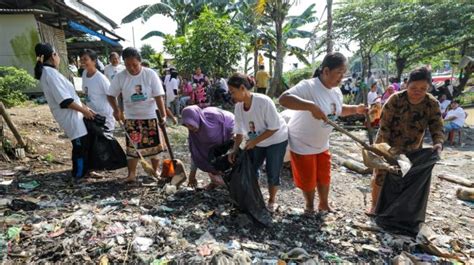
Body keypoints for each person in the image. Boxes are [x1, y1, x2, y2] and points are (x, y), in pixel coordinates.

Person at [279, 52, 366, 213]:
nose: (342, 77)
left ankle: (324, 204)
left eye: (344, 72)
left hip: (322, 143)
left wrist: (356, 109)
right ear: (326, 71)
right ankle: (310, 206)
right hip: (302, 142)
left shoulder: (336, 91)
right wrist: (311, 106)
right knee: (308, 179)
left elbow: (338, 110)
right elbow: (283, 99)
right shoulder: (309, 86)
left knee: (324, 176)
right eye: (339, 72)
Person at [367, 67, 444, 214]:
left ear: (429, 88)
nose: (417, 91)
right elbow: (384, 126)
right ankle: (375, 205)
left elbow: (437, 126)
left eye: (423, 88)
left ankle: (395, 207)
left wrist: (438, 142)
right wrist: (389, 151)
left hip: (413, 147)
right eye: (414, 87)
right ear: (407, 84)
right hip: (386, 143)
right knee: (381, 174)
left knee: (404, 176)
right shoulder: (395, 99)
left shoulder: (431, 103)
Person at [34, 43, 95, 181]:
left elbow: (70, 96)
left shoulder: (50, 72)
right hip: (70, 116)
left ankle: (84, 172)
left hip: (74, 114)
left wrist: (84, 107)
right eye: (57, 54)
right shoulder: (50, 74)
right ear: (53, 56)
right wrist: (84, 110)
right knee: (79, 146)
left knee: (83, 144)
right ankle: (78, 175)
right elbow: (65, 101)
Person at [227, 73, 288, 212]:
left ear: (243, 88)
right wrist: (235, 149)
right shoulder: (238, 107)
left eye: (233, 92)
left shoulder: (264, 101)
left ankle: (272, 200)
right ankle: (254, 197)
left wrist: (255, 141)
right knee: (251, 169)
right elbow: (239, 131)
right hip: (257, 141)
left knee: (273, 170)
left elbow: (274, 127)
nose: (232, 96)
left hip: (276, 139)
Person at [106, 47, 167, 182]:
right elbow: (110, 95)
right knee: (133, 150)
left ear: (140, 62)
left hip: (151, 116)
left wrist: (163, 115)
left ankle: (155, 171)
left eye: (134, 65)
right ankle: (131, 174)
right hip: (132, 118)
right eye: (128, 65)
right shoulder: (120, 77)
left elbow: (158, 96)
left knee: (154, 148)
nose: (131, 68)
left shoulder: (150, 74)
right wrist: (116, 110)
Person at [182, 105, 234, 190]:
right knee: (207, 156)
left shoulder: (215, 122)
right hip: (215, 141)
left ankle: (232, 183)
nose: (190, 128)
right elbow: (196, 154)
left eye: (191, 124)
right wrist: (192, 175)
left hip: (228, 128)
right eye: (186, 125)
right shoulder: (194, 133)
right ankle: (215, 181)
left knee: (226, 158)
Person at [79, 49, 115, 133]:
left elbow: (111, 95)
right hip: (91, 115)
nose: (82, 62)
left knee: (105, 143)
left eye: (85, 59)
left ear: (94, 61)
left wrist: (116, 112)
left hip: (104, 118)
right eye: (81, 59)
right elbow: (86, 92)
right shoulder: (84, 73)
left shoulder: (101, 78)